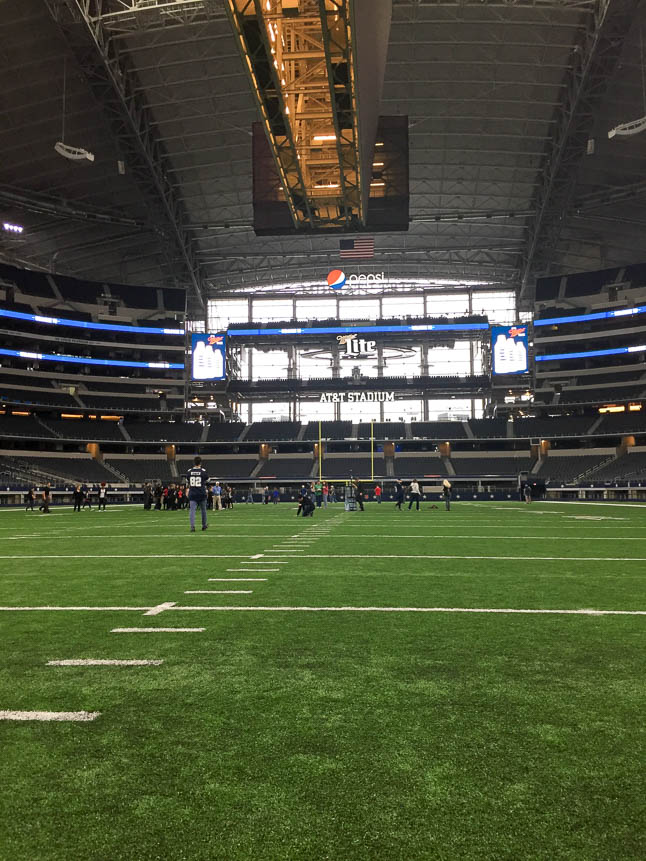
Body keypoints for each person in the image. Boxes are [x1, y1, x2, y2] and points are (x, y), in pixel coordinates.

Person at [187, 455, 209, 532]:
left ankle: (192, 527)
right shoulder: (203, 471)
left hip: (193, 493)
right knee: (203, 510)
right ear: (200, 463)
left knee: (192, 511)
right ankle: (204, 525)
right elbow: (208, 479)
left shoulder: (189, 471)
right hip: (201, 493)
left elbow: (188, 481)